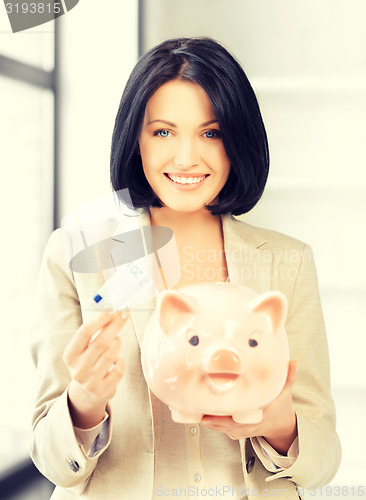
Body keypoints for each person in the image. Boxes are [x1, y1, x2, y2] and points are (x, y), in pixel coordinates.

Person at [30, 37, 341, 499]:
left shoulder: (286, 263)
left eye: (211, 133)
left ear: (237, 141)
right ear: (136, 139)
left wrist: (279, 427)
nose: (186, 158)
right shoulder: (79, 256)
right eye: (163, 132)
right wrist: (84, 404)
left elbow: (323, 462)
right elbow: (51, 458)